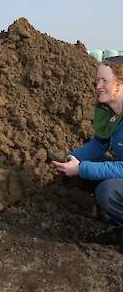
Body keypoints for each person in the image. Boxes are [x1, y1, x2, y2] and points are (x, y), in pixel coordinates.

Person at [52, 56, 123, 246]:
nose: (98, 85)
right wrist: (73, 159)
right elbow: (99, 145)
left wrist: (82, 168)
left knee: (109, 191)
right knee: (88, 170)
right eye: (97, 80)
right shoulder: (110, 114)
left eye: (104, 81)